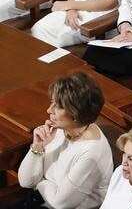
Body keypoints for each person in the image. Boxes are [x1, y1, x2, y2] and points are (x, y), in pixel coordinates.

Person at [15, 73, 113, 209]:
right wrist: (38, 146)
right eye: (52, 102)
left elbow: (60, 204)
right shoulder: (60, 129)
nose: (49, 110)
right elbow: (26, 181)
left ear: (76, 113)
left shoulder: (91, 153)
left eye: (58, 106)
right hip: (39, 200)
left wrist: (40, 183)